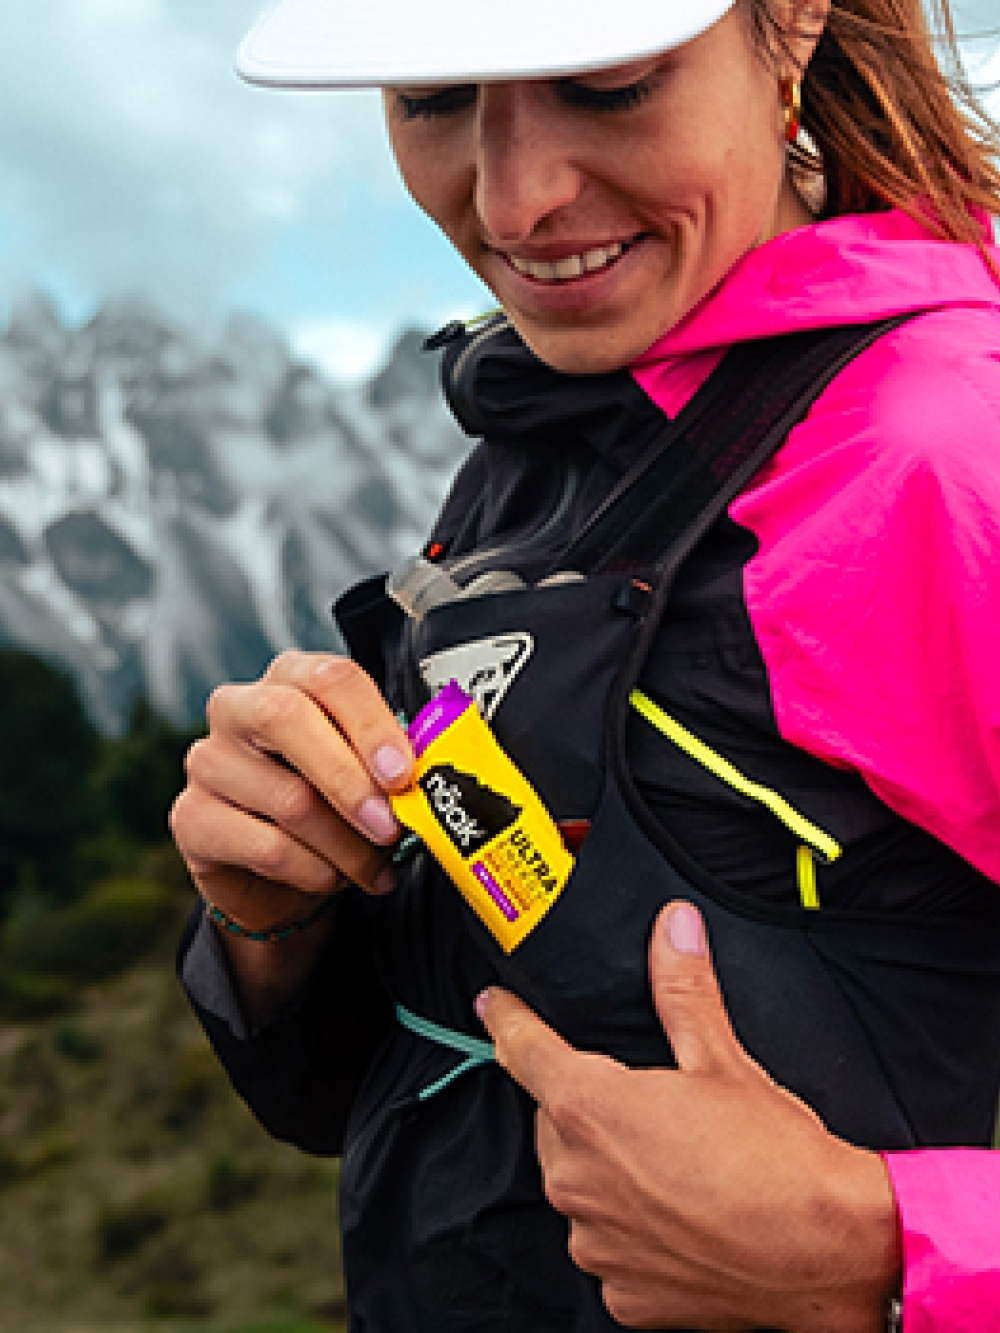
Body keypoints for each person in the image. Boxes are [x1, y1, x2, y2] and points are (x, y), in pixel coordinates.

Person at [170, 0, 1000, 1327]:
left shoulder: (942, 460)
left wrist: (882, 1249)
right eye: (431, 100)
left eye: (604, 85)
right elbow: (384, 1085)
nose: (514, 200)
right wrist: (274, 907)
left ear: (792, 24)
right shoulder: (553, 427)